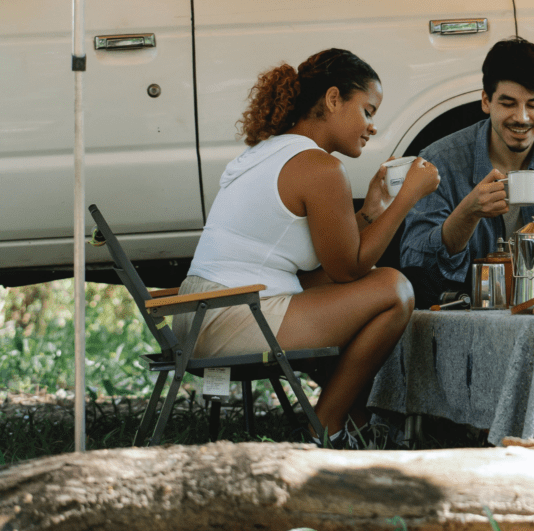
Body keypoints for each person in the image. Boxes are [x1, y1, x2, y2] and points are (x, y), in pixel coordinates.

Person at [173, 48, 440, 446]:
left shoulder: (269, 150)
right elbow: (350, 270)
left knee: (326, 289)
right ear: (334, 99)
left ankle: (357, 422)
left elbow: (332, 268)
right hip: (232, 317)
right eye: (367, 111)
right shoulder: (321, 167)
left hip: (193, 317)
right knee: (395, 290)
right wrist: (406, 200)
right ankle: (325, 429)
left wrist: (369, 212)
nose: (371, 128)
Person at [399, 37, 534, 306]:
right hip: (471, 319)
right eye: (508, 103)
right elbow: (414, 265)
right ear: (485, 101)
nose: (522, 117)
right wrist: (467, 214)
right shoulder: (440, 160)